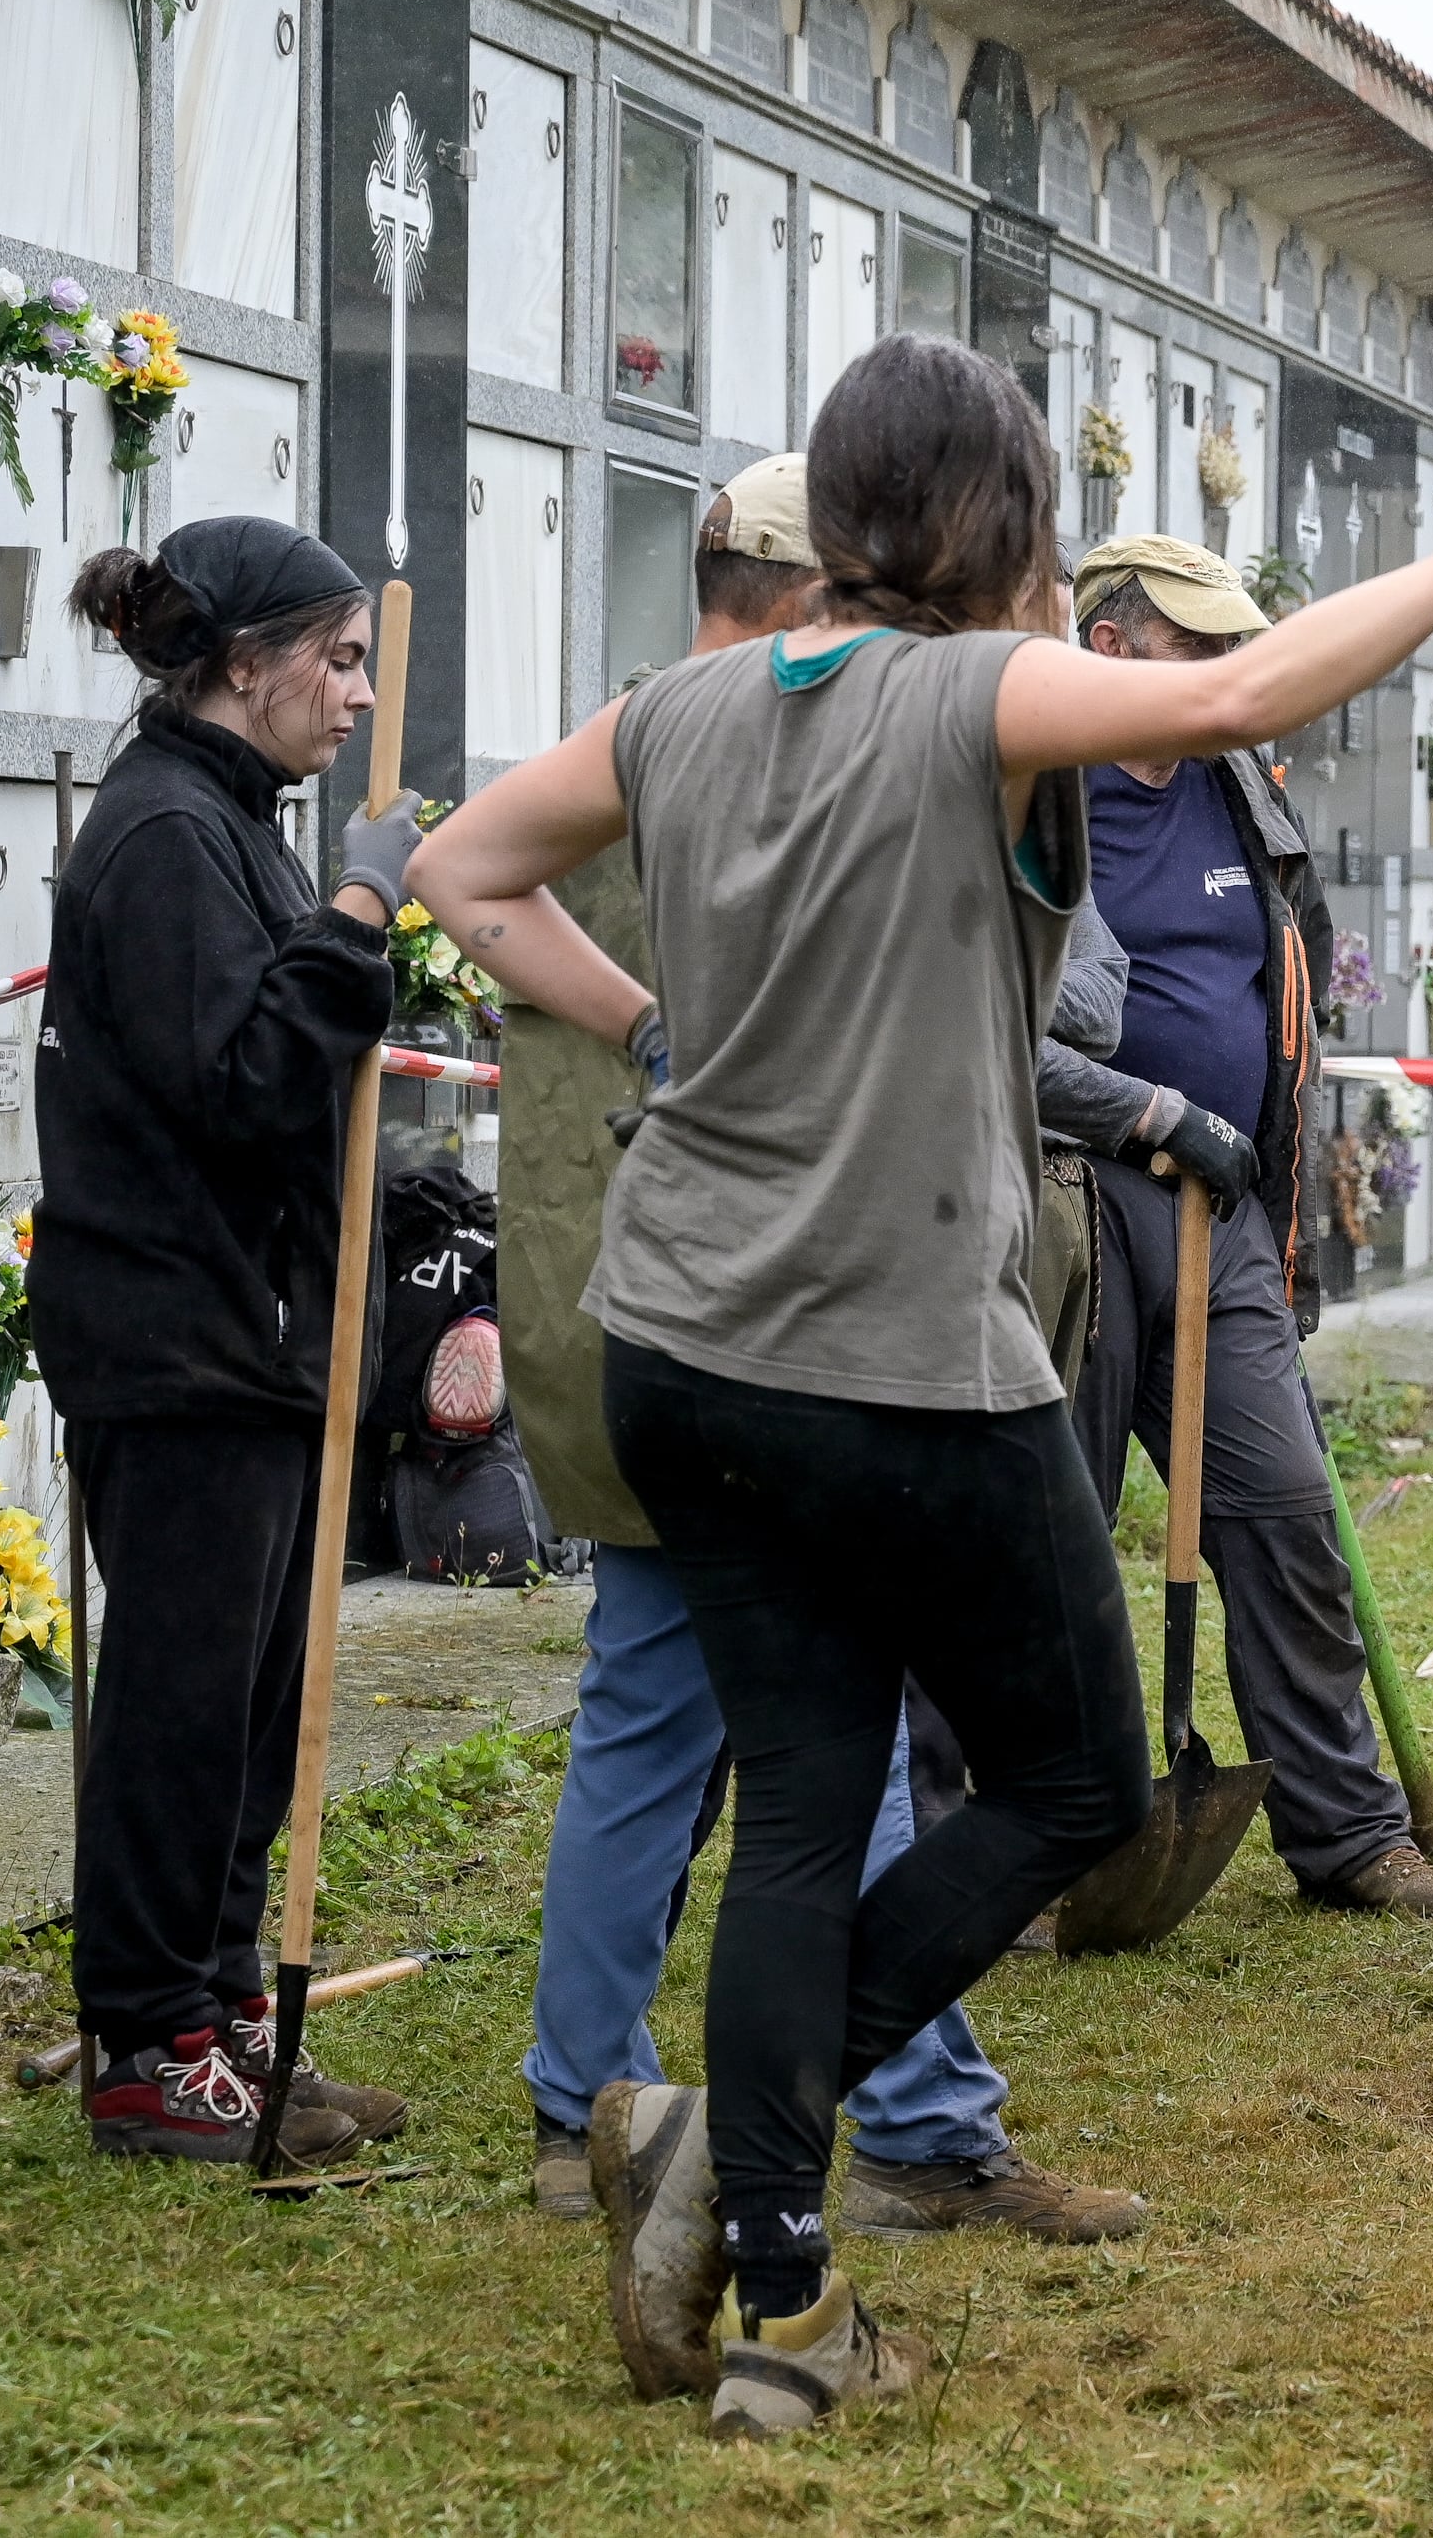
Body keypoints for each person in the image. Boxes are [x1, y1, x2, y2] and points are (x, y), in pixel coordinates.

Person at [412, 331, 1433, 2442]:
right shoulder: (973, 695)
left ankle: (785, 2316)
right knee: (1077, 1780)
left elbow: (461, 871)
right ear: (1000, 529)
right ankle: (748, 2135)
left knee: (807, 1809)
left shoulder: (691, 705)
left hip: (681, 1345)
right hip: (896, 1353)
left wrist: (651, 1038)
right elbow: (1227, 695)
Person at [501, 454, 1141, 2247]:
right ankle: (885, 2123)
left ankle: (599, 2108)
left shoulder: (637, 741)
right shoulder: (766, 752)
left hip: (640, 1320)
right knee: (815, 1764)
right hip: (798, 1327)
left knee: (692, 1743)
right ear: (815, 590)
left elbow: (490, 910)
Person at [37, 519, 417, 2164]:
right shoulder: (167, 840)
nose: (354, 692)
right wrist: (351, 915)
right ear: (241, 662)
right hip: (180, 1337)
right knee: (187, 1704)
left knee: (258, 1705)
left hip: (248, 1338)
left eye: (362, 662)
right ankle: (146, 2040)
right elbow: (253, 1082)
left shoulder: (225, 821)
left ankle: (226, 2014)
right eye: (335, 659)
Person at [1036, 532, 1433, 1916]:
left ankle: (1345, 1833)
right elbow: (981, 1017)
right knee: (1044, 1532)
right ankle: (1009, 1844)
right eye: (1202, 647)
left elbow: (1286, 1004)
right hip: (1062, 1206)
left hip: (1223, 1210)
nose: (1232, 670)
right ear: (1111, 648)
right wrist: (1143, 1114)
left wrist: (1278, 1204)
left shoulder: (1242, 794)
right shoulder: (1026, 785)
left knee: (1285, 1511)